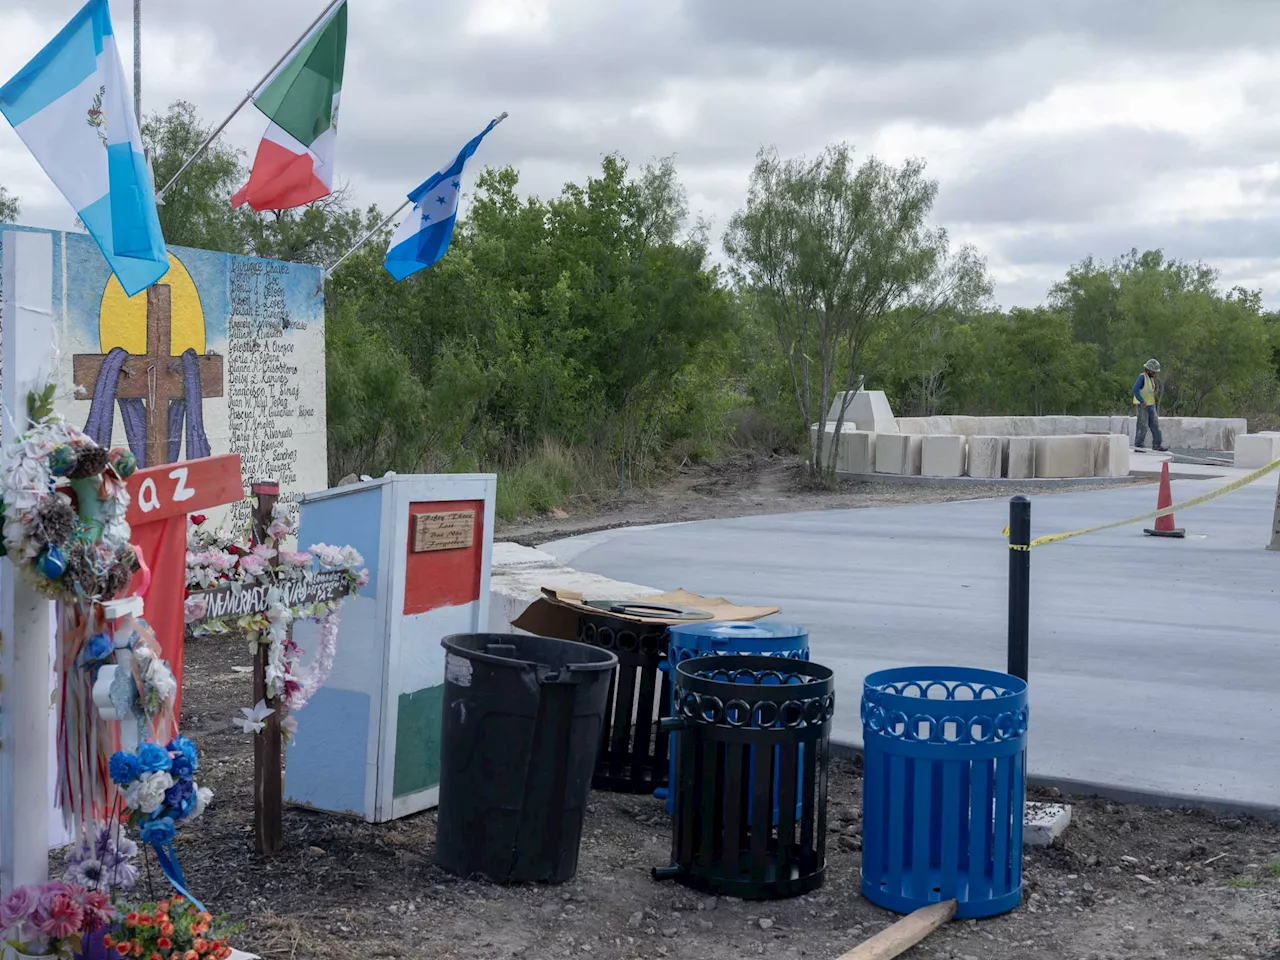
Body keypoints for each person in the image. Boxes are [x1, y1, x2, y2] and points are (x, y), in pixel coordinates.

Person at [1132, 358, 1168, 452]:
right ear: (1149, 370)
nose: (1155, 373)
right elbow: (1135, 390)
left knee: (1155, 425)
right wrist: (1141, 401)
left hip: (1151, 405)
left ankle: (1157, 444)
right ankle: (1139, 446)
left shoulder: (1150, 378)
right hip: (1142, 405)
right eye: (1154, 371)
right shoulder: (1142, 377)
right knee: (1142, 425)